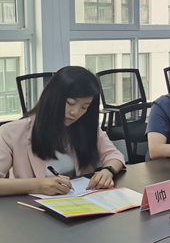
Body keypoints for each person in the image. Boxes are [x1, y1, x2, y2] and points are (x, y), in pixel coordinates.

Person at [0, 66, 125, 196]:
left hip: (79, 201)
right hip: (32, 205)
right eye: (70, 103)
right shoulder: (11, 133)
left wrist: (107, 171)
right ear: (52, 98)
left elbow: (114, 155)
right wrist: (39, 185)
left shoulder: (85, 127)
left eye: (84, 107)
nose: (75, 112)